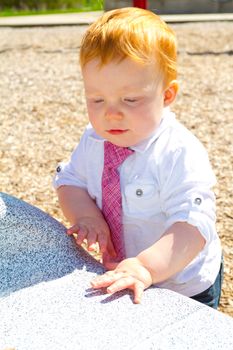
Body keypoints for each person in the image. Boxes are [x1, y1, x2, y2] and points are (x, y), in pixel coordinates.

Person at [53, 7, 223, 308]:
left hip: (182, 283)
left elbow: (193, 226)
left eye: (130, 99)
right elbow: (70, 182)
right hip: (124, 274)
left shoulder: (177, 152)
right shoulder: (93, 140)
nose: (111, 112)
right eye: (97, 99)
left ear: (167, 95)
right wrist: (87, 216)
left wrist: (145, 267)